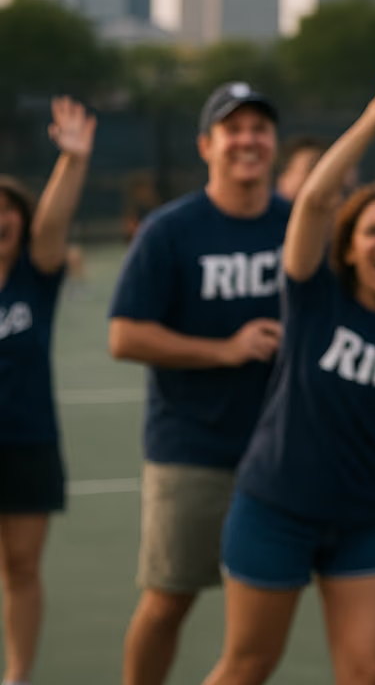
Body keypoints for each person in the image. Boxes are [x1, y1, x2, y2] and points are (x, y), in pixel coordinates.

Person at [202, 48, 375, 685]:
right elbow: (313, 201)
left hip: (366, 518)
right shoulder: (315, 296)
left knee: (365, 673)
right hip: (277, 506)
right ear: (351, 248)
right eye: (373, 232)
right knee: (248, 665)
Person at [109, 83, 289, 685]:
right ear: (206, 145)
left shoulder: (297, 224)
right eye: (232, 129)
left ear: (274, 143)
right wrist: (225, 350)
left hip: (279, 454)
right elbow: (124, 336)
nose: (247, 140)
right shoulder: (170, 230)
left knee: (258, 625)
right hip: (192, 451)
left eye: (259, 128)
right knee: (168, 601)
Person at [0, 97, 95, 685]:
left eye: (7, 210)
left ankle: (18, 675)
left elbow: (53, 224)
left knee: (21, 566)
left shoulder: (34, 279)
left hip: (27, 443)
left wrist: (73, 161)